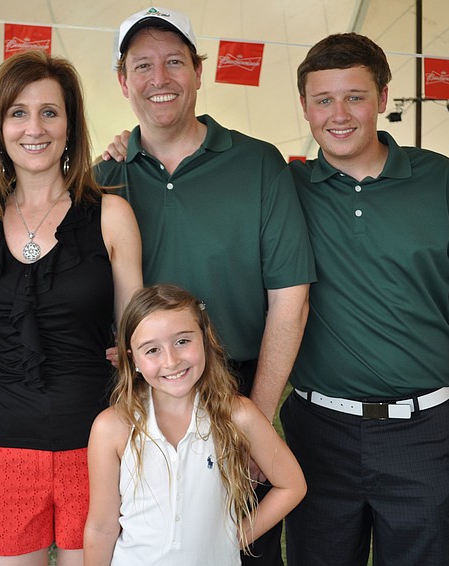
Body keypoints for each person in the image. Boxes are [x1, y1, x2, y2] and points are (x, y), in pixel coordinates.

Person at [95, 10, 315, 562]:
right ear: (123, 81)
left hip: (238, 380)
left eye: (174, 62)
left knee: (245, 540)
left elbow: (291, 299)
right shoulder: (105, 176)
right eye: (142, 65)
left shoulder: (259, 163)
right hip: (142, 382)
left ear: (199, 72)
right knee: (151, 532)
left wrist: (254, 418)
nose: (159, 78)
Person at [281, 33, 449, 566]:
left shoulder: (442, 181)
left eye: (355, 96)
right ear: (305, 107)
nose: (339, 114)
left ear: (383, 98)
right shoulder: (285, 184)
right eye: (323, 99)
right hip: (317, 432)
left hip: (426, 432)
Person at [0, 50, 142, 566]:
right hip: (0, 449)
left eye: (49, 112)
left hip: (97, 442)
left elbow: (137, 340)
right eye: (17, 112)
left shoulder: (111, 214)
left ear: (70, 125)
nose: (33, 127)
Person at [83, 284, 306, 566]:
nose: (171, 361)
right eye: (152, 350)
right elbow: (101, 527)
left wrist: (233, 538)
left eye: (182, 342)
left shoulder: (238, 415)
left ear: (205, 339)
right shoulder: (112, 427)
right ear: (132, 359)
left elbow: (292, 485)